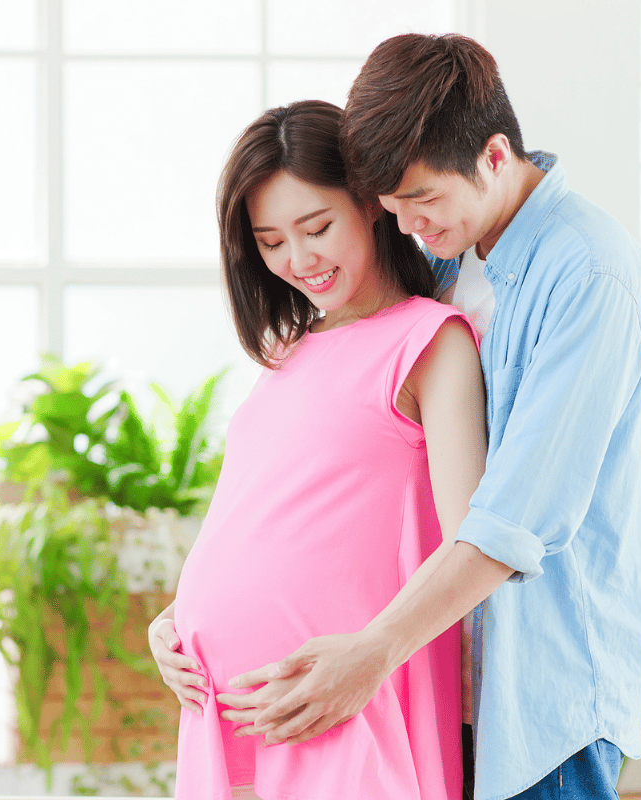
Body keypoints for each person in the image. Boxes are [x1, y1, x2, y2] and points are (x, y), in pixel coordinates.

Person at [204, 33, 641, 800]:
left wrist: (374, 652)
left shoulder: (589, 274)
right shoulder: (452, 255)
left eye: (422, 200)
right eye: (391, 206)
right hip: (442, 685)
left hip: (539, 696)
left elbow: (514, 519)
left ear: (493, 155)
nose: (409, 225)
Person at [149, 99, 488, 799]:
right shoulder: (290, 348)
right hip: (224, 708)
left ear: (368, 201)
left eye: (316, 227)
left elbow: (470, 544)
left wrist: (369, 657)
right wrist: (174, 622)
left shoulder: (429, 342)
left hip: (345, 699)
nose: (299, 260)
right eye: (271, 241)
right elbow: (255, 513)